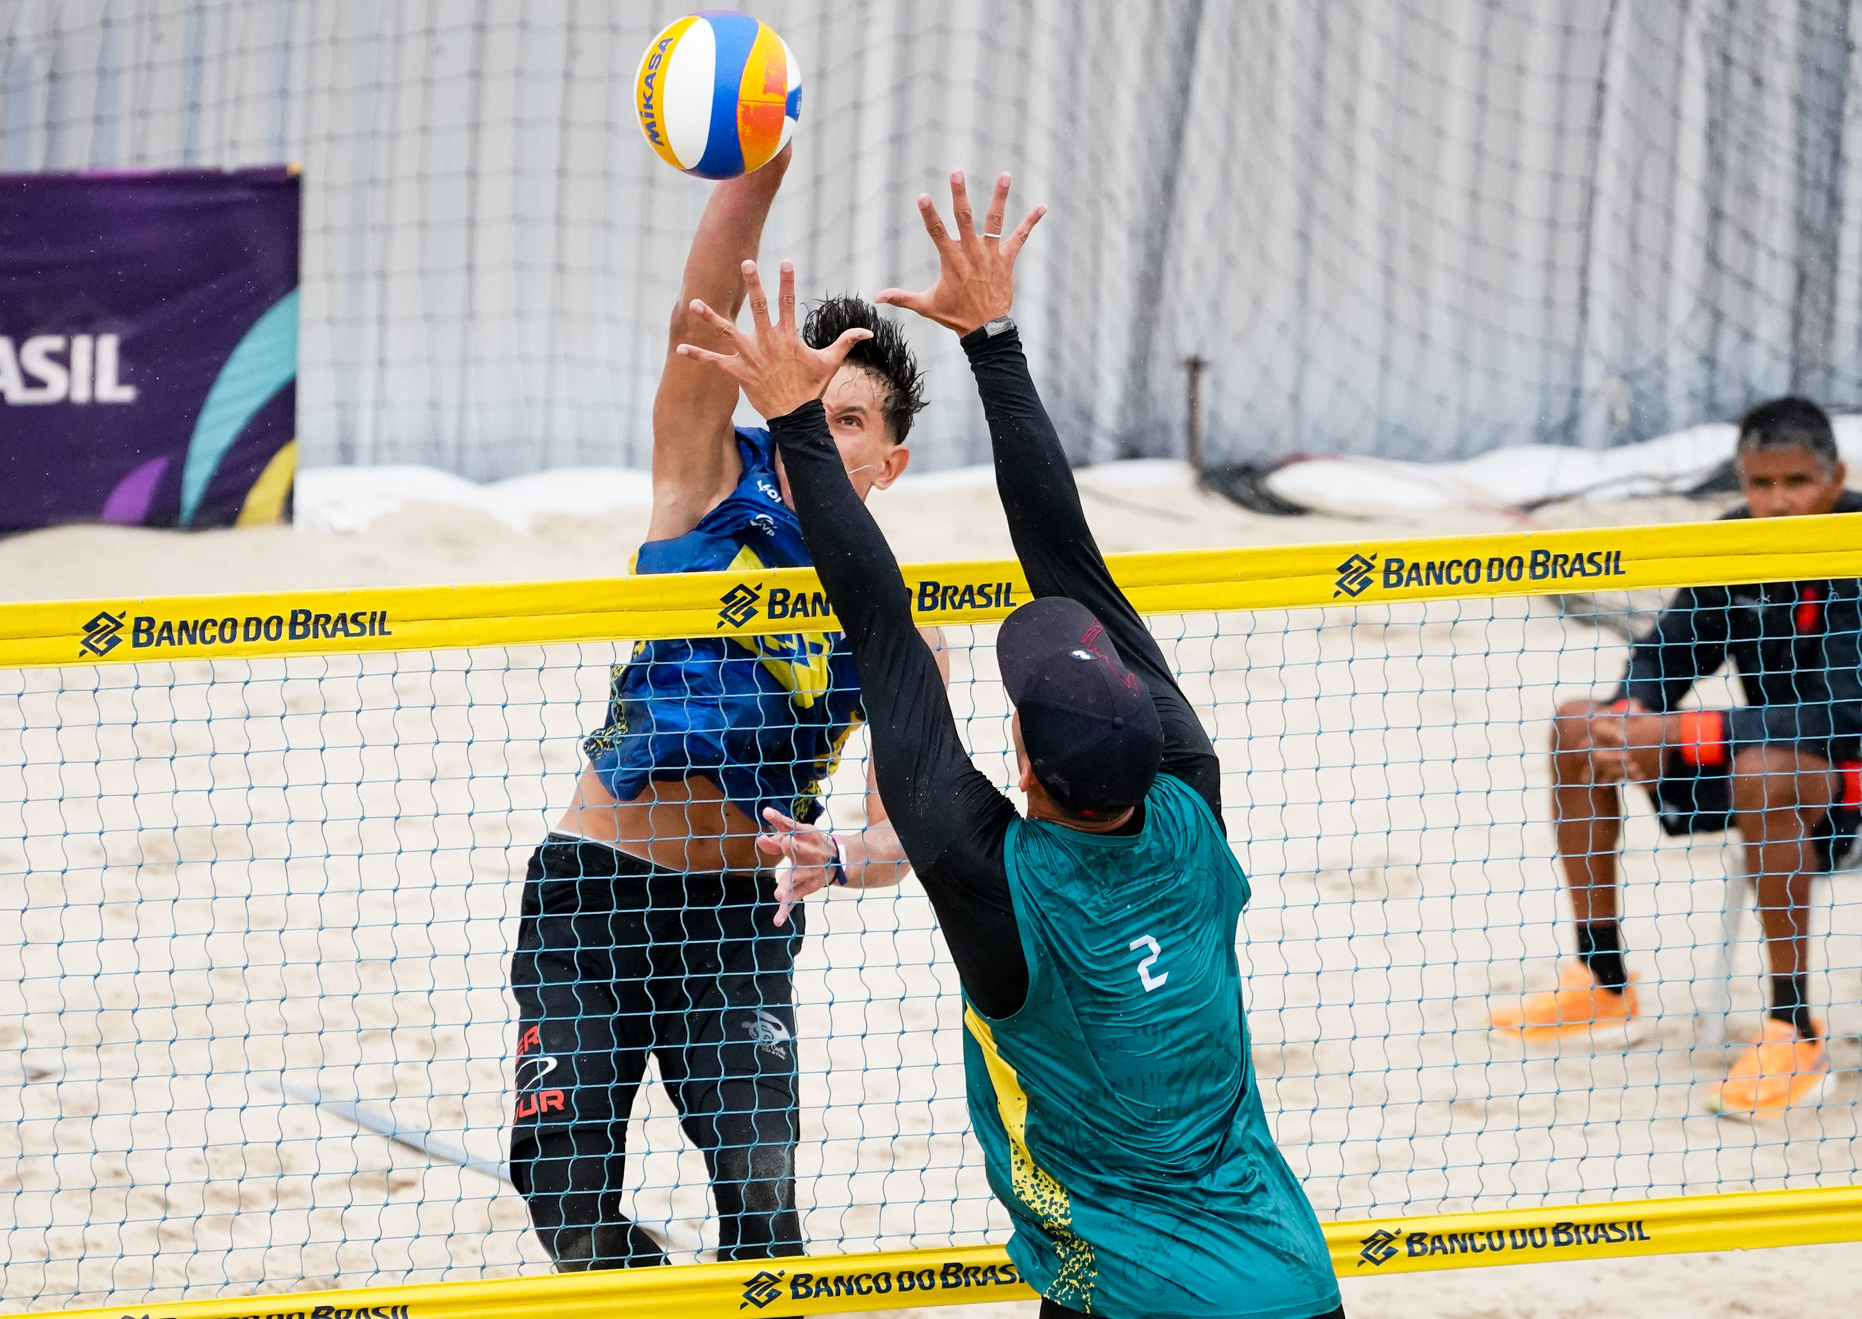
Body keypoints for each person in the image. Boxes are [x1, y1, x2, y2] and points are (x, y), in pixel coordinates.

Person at [678, 171, 1343, 1319]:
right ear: (1147, 732)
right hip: (1291, 1279)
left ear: (1023, 768)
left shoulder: (1004, 886)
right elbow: (1055, 563)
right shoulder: (1188, 802)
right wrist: (987, 341)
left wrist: (798, 420)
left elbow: (878, 620)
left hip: (1130, 1297)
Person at [508, 145, 946, 1271]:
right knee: (562, 1199)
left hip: (738, 918)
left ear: (889, 462)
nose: (825, 429)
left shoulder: (905, 621)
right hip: (595, 891)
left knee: (761, 1206)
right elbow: (699, 313)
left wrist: (842, 858)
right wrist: (758, 163)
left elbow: (907, 830)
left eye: (851, 419)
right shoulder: (706, 481)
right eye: (812, 404)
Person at [1490, 396, 1862, 1117]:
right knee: (1578, 728)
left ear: (1836, 477)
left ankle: (1794, 1029)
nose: (1777, 502)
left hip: (1844, 770)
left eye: (1796, 482)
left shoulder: (1858, 541)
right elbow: (1666, 650)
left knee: (1766, 772)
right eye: (1760, 483)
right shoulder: (1736, 541)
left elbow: (1846, 714)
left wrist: (1682, 734)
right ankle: (1602, 981)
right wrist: (1631, 713)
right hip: (1761, 757)